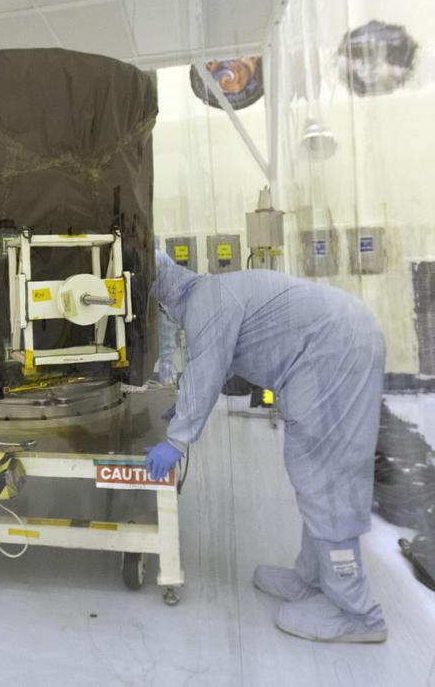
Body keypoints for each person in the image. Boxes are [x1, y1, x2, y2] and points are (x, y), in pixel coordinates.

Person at [144, 251, 387, 643]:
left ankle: (356, 611)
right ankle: (313, 579)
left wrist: (176, 439)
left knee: (326, 476)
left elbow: (207, 368)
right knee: (313, 474)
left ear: (159, 297)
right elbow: (227, 364)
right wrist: (188, 400)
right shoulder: (211, 294)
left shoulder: (206, 303)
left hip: (335, 351)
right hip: (330, 347)